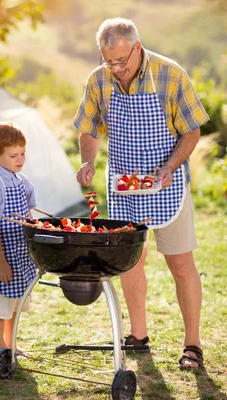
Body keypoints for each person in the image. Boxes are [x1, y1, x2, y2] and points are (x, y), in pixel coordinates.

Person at [74, 18, 209, 368]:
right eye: (109, 62)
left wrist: (169, 168)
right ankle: (137, 335)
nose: (116, 69)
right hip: (124, 186)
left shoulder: (171, 74)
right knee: (130, 263)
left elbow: (192, 132)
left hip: (167, 183)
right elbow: (88, 130)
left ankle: (192, 343)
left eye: (122, 61)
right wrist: (88, 161)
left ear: (137, 47)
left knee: (180, 263)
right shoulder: (98, 80)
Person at [0, 122, 37, 353]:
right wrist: (1, 261)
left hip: (20, 253)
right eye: (13, 155)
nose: (20, 159)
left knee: (15, 302)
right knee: (0, 303)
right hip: (0, 255)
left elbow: (29, 216)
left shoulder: (23, 181)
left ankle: (11, 343)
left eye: (22, 153)